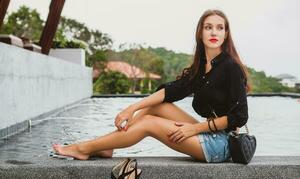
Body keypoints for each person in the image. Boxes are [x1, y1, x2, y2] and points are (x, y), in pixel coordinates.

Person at [53, 9, 249, 164]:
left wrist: (195, 129)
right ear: (200, 32)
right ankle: (105, 146)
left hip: (221, 144)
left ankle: (84, 148)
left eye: (219, 28)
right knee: (156, 106)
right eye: (208, 27)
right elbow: (171, 91)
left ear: (226, 33)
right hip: (207, 131)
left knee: (148, 123)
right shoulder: (201, 67)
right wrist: (132, 108)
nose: (214, 32)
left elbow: (239, 116)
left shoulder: (231, 67)